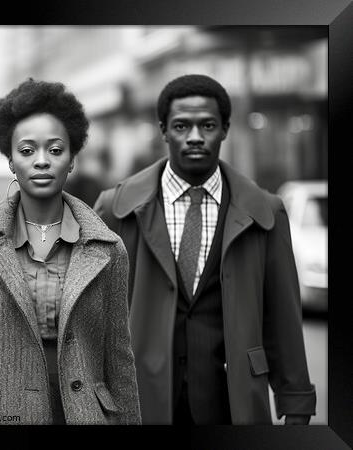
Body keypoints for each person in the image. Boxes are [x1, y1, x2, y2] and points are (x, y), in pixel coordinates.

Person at [0, 79, 140, 425]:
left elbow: (118, 362)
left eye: (55, 150)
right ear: (11, 160)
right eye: (28, 150)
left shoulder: (108, 249)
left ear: (72, 159)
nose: (42, 162)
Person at [94, 74, 316, 425]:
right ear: (163, 130)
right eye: (182, 125)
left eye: (208, 125)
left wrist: (297, 405)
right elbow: (93, 318)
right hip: (141, 399)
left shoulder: (265, 212)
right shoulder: (116, 209)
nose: (195, 137)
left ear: (225, 128)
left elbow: (283, 318)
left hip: (233, 402)